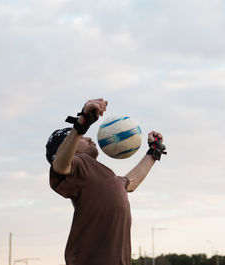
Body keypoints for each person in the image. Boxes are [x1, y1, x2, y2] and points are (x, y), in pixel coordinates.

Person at [46, 98, 167, 265]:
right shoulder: (78, 165)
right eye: (81, 138)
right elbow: (60, 165)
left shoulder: (101, 173)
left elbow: (129, 183)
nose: (88, 139)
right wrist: (81, 124)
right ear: (67, 149)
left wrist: (154, 151)